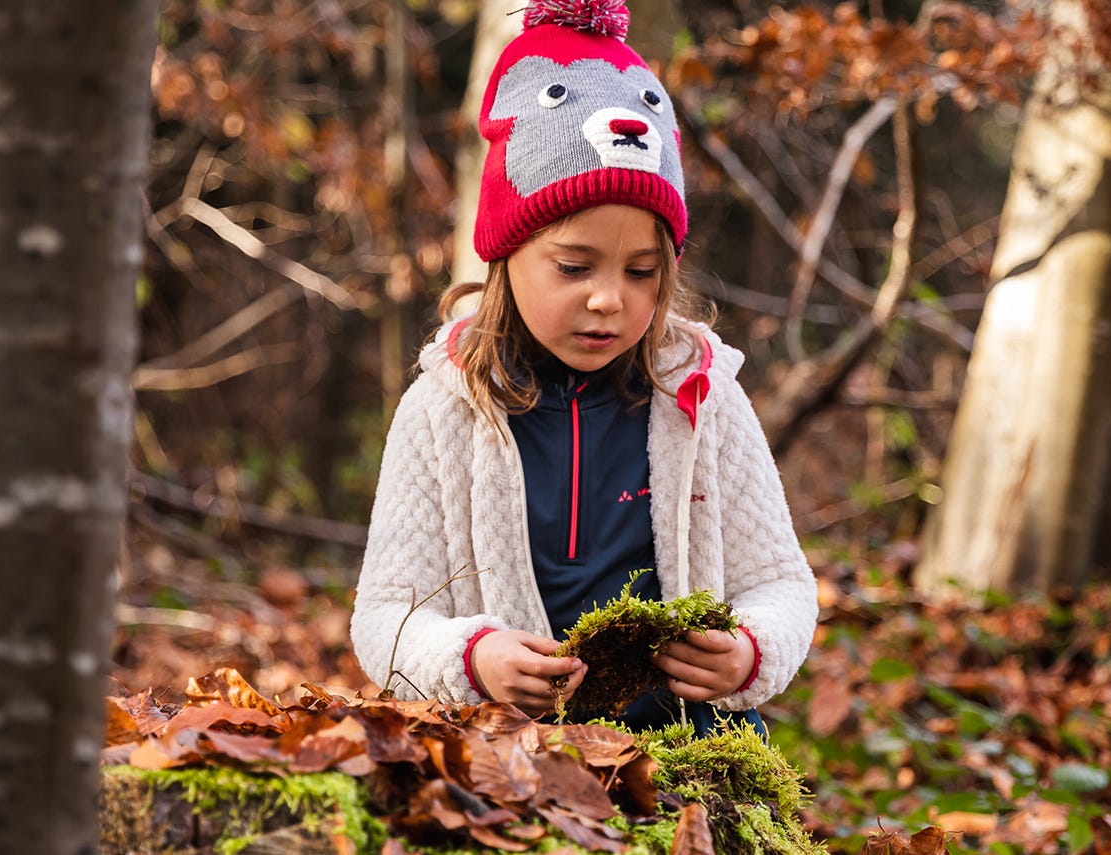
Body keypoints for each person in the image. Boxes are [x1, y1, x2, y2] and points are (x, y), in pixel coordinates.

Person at [350, 0, 816, 734]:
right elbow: (384, 617)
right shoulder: (446, 407)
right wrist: (474, 657)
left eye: (641, 272)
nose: (609, 299)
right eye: (573, 266)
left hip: (685, 749)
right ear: (507, 252)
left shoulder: (700, 397)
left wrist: (750, 652)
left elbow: (781, 584)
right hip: (510, 757)